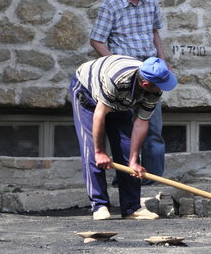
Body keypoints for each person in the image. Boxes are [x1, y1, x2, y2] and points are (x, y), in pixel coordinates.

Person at [70, 55, 178, 220]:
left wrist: (133, 160)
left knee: (128, 150)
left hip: (120, 99)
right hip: (87, 91)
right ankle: (99, 205)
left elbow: (141, 123)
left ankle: (131, 207)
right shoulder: (119, 80)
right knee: (92, 149)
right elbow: (99, 115)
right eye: (160, 86)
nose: (162, 89)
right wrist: (100, 152)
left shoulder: (154, 90)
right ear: (146, 84)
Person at [90, 0, 168, 183]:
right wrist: (115, 64)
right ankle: (125, 179)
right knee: (124, 132)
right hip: (124, 77)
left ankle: (154, 179)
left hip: (151, 73)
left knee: (153, 130)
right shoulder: (111, 5)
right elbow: (96, 40)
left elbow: (155, 32)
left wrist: (162, 60)